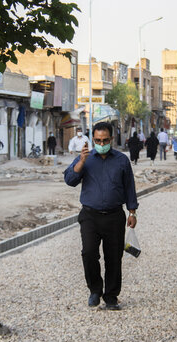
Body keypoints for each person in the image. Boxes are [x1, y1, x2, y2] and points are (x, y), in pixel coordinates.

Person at [63, 121, 138, 311]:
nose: (101, 143)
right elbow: (70, 180)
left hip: (114, 216)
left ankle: (111, 296)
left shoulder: (121, 160)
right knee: (89, 253)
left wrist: (132, 211)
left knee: (114, 257)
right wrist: (80, 161)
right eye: (98, 140)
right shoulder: (85, 158)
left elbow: (129, 187)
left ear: (111, 139)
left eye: (105, 140)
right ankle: (95, 290)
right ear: (93, 139)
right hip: (90, 216)